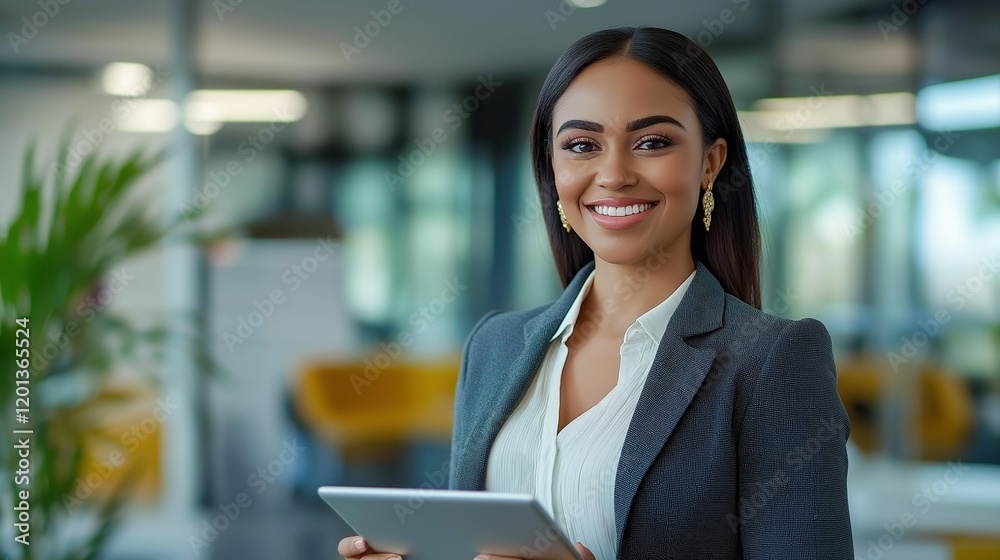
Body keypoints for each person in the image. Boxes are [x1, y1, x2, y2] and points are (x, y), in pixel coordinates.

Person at [340, 25, 853, 560]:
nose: (613, 174)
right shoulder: (494, 347)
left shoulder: (774, 360)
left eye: (652, 142)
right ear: (553, 169)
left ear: (710, 162)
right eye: (582, 145)